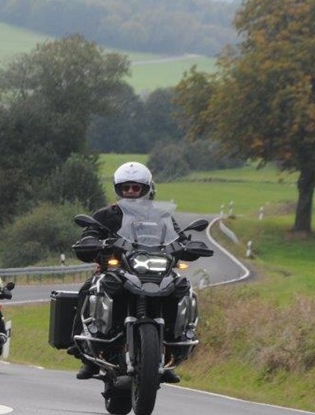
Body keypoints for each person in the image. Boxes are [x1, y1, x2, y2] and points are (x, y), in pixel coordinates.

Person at [68, 161, 210, 383]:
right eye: (126, 187)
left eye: (136, 187)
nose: (131, 192)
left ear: (146, 189)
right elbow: (90, 232)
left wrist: (188, 245)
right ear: (119, 189)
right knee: (89, 288)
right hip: (117, 268)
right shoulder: (106, 214)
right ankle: (85, 351)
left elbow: (179, 237)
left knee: (182, 287)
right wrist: (90, 242)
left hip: (157, 270)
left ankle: (170, 351)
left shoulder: (162, 216)